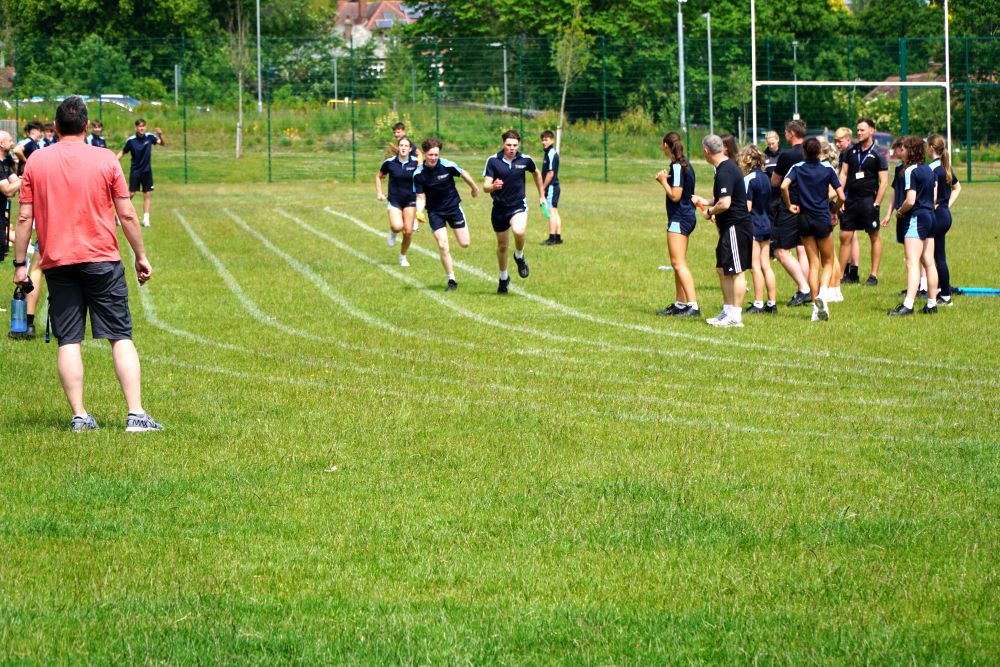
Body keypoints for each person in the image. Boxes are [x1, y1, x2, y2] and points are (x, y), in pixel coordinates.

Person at [11, 95, 161, 432]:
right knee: (120, 335)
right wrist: (140, 256)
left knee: (68, 339)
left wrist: (20, 264)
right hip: (102, 259)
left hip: (57, 260)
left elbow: (23, 217)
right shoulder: (105, 158)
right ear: (86, 125)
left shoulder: (37, 162)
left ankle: (79, 416)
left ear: (56, 126)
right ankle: (136, 414)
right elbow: (127, 213)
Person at [782, 137, 845, 321]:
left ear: (804, 151)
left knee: (813, 265)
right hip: (822, 218)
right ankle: (822, 296)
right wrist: (833, 210)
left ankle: (814, 308)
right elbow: (842, 196)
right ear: (819, 152)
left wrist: (789, 205)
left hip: (804, 219)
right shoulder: (827, 168)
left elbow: (784, 186)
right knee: (828, 261)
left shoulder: (797, 167)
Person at [697, 134, 752, 328]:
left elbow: (725, 203)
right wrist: (706, 201)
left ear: (706, 151)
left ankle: (735, 316)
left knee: (736, 272)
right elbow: (724, 196)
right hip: (728, 228)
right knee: (722, 269)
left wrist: (709, 212)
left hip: (736, 226)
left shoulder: (725, 171)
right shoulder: (724, 168)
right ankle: (727, 311)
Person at [413, 137, 480, 291]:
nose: (433, 158)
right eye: (430, 155)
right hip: (435, 212)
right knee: (443, 245)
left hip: (453, 208)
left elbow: (463, 173)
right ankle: (451, 279)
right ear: (424, 154)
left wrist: (474, 188)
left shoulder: (447, 165)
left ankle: (452, 277)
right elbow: (421, 197)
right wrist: (419, 211)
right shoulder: (418, 174)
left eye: (436, 155)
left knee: (465, 243)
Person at [483, 130, 544, 294]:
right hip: (499, 208)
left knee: (519, 231)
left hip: (518, 205)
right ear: (503, 144)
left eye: (515, 145)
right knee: (502, 246)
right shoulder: (493, 161)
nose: (512, 148)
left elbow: (537, 174)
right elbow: (485, 186)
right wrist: (493, 186)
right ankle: (503, 278)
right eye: (509, 145)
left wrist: (542, 196)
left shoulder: (525, 160)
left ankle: (519, 255)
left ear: (519, 145)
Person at [886, 136, 938, 316]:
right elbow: (933, 198)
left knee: (912, 262)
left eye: (905, 149)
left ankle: (908, 305)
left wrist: (900, 212)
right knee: (929, 261)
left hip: (917, 217)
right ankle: (932, 304)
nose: (902, 151)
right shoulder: (929, 170)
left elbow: (910, 200)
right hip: (931, 217)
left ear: (911, 151)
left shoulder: (910, 171)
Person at [654, 131, 700, 317]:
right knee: (678, 262)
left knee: (678, 263)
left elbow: (675, 195)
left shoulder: (678, 166)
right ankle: (680, 304)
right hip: (685, 216)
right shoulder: (684, 164)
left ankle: (693, 305)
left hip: (680, 218)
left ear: (666, 145)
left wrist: (663, 181)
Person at [838, 118, 888, 287]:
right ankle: (840, 276)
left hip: (869, 201)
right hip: (851, 200)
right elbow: (844, 174)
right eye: (857, 130)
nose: (858, 133)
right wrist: (840, 197)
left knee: (874, 235)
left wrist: (877, 203)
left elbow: (884, 182)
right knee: (845, 235)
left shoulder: (878, 154)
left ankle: (873, 276)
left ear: (872, 130)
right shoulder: (850, 152)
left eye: (862, 130)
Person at [770, 119, 813, 307]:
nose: (785, 135)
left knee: (780, 251)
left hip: (791, 206)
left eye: (786, 132)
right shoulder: (812, 152)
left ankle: (804, 288)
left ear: (792, 133)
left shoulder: (787, 155)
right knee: (802, 248)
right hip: (810, 206)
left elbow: (775, 182)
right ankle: (803, 291)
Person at [738, 144, 777, 314]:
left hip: (754, 225)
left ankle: (758, 303)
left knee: (755, 266)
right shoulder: (766, 178)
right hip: (766, 223)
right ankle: (772, 303)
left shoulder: (748, 179)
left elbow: (747, 207)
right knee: (766, 265)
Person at [927, 134, 961, 306]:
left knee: (937, 257)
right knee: (936, 256)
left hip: (937, 216)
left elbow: (932, 196)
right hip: (944, 215)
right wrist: (946, 205)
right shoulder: (944, 166)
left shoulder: (932, 169)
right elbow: (957, 187)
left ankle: (945, 295)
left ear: (931, 148)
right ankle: (940, 290)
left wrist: (935, 205)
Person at [375, 136, 419, 267]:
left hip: (410, 200)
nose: (403, 148)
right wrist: (379, 193)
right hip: (394, 199)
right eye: (401, 145)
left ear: (410, 149)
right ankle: (393, 232)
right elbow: (378, 176)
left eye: (406, 146)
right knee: (397, 226)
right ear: (398, 147)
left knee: (408, 231)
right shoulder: (389, 163)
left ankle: (402, 257)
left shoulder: (415, 162)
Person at [116, 118, 164, 227]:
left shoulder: (150, 137)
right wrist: (113, 161)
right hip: (135, 171)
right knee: (131, 194)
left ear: (145, 127)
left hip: (147, 171)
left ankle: (146, 219)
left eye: (143, 126)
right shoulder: (131, 140)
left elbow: (161, 143)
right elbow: (122, 152)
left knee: (147, 194)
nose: (141, 128)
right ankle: (119, 215)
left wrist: (160, 135)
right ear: (136, 128)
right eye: (139, 126)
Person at [833, 126, 861, 282]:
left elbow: (849, 178)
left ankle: (844, 272)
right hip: (851, 197)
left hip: (848, 198)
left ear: (848, 139)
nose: (837, 144)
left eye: (840, 141)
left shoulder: (848, 154)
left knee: (846, 235)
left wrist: (842, 199)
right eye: (836, 141)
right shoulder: (849, 152)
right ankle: (853, 272)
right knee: (852, 235)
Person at [539, 130, 563, 245]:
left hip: (551, 187)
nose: (544, 142)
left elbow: (550, 173)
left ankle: (552, 238)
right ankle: (558, 237)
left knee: (551, 212)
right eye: (542, 140)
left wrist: (543, 188)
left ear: (552, 140)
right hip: (553, 187)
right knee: (554, 211)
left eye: (546, 140)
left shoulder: (551, 153)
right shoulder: (549, 152)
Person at [763, 130, 782, 223]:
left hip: (782, 191)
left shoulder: (784, 154)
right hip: (769, 193)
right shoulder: (763, 156)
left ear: (778, 140)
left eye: (773, 143)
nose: (771, 146)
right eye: (769, 144)